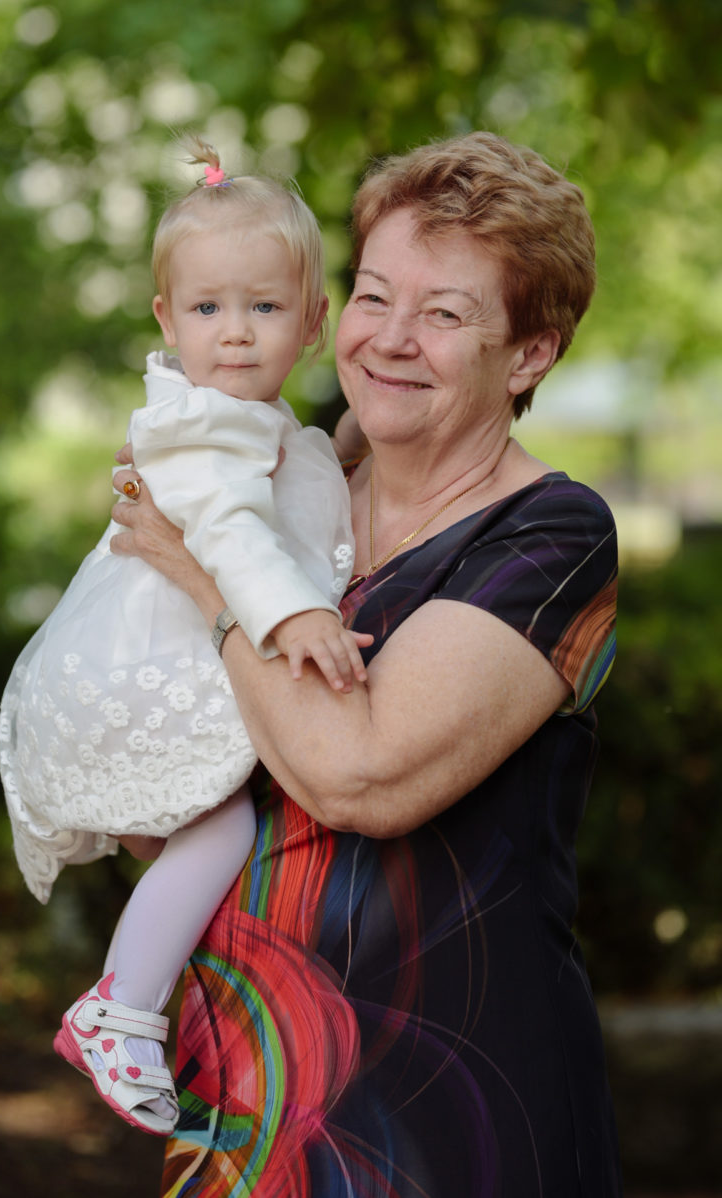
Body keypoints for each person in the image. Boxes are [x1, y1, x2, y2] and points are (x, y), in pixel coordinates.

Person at [109, 130, 622, 1194]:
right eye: (374, 295)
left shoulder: (550, 536)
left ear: (530, 354)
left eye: (444, 315)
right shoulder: (281, 492)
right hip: (245, 1088)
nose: (390, 338)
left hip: (452, 1112)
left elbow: (359, 776)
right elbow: (170, 803)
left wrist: (206, 582)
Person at [0, 137, 373, 1137]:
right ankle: (119, 1009)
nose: (235, 333)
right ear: (166, 319)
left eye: (264, 308)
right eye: (207, 309)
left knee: (206, 847)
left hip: (163, 664)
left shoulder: (258, 422)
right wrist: (297, 614)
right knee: (224, 832)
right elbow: (231, 529)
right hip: (142, 670)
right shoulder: (204, 426)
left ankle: (163, 1000)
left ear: (312, 322)